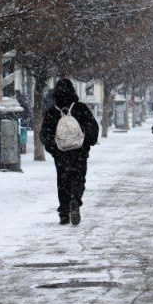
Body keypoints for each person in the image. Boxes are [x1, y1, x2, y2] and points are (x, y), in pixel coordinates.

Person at [40, 79, 99, 226]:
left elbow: (45, 134)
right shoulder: (80, 108)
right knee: (79, 179)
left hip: (61, 154)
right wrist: (87, 144)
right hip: (79, 153)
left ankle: (64, 213)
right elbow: (93, 127)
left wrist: (53, 149)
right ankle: (75, 200)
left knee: (63, 181)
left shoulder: (52, 112)